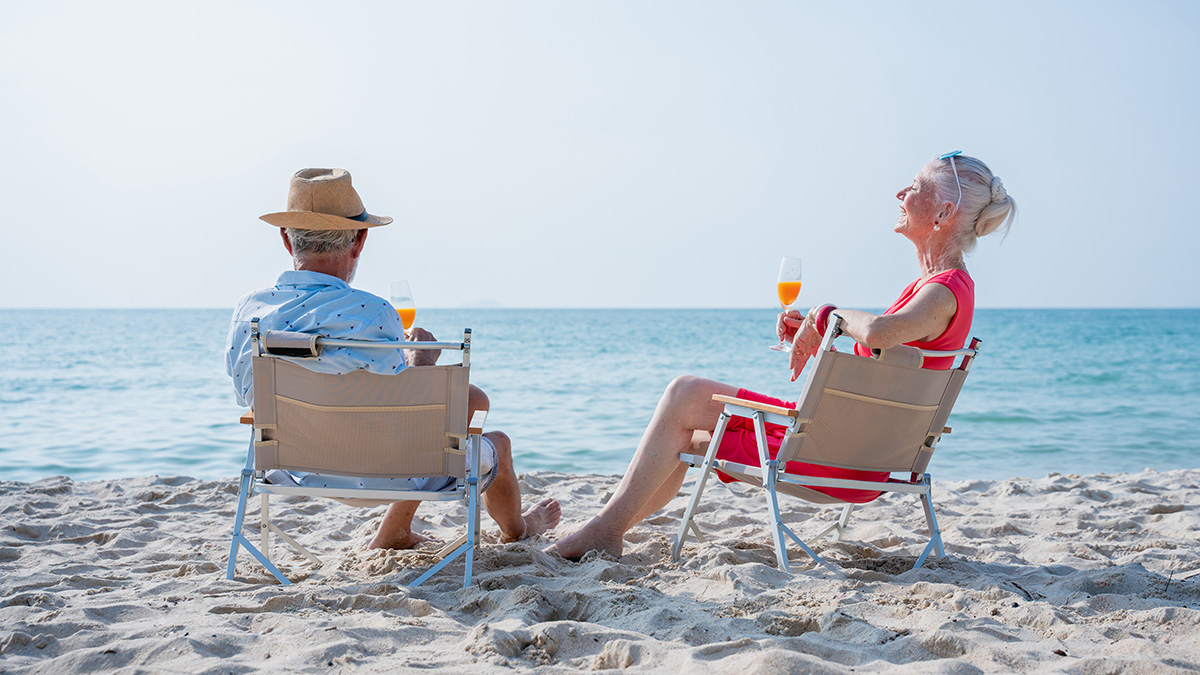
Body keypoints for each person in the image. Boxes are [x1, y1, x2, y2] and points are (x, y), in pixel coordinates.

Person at [551, 152, 1016, 560]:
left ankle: (604, 531)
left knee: (685, 392)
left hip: (837, 460)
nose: (899, 192)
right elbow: (878, 378)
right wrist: (816, 331)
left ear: (944, 212)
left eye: (914, 187)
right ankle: (607, 530)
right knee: (690, 440)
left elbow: (877, 333)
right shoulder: (934, 291)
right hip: (852, 450)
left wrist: (825, 315)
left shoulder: (944, 293)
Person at [226, 168, 560, 550]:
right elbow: (408, 418)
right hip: (387, 475)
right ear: (360, 239)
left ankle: (394, 532)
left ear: (286, 240)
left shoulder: (247, 313)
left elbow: (248, 398)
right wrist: (422, 359)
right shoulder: (372, 312)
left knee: (467, 403)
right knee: (494, 440)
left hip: (291, 471)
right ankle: (519, 531)